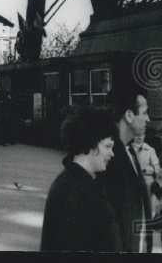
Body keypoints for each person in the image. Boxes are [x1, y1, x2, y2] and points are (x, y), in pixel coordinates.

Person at [40, 107, 120, 252]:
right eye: (108, 146)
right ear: (91, 144)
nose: (112, 153)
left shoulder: (78, 182)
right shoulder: (72, 190)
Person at [101, 87, 152, 253]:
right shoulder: (108, 159)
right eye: (144, 113)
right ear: (129, 115)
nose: (148, 119)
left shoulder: (128, 150)